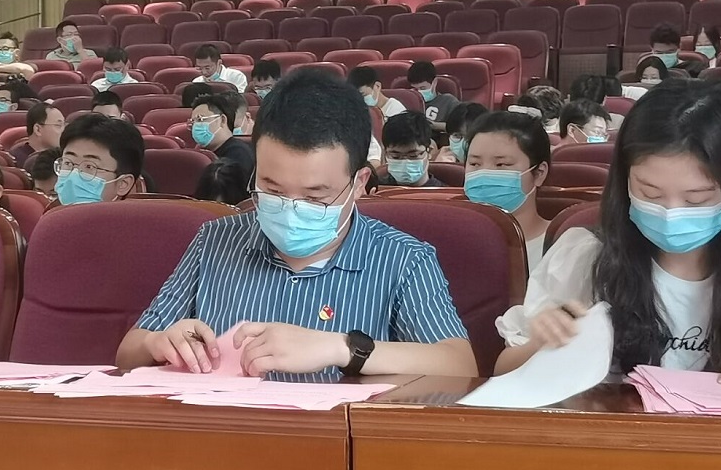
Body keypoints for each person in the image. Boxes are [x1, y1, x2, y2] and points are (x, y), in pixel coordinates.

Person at [117, 71, 476, 378]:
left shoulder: (403, 259)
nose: (290, 210)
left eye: (315, 197)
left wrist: (342, 348)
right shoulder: (214, 240)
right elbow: (129, 352)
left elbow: (460, 365)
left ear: (359, 182)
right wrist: (157, 343)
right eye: (272, 190)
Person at [494, 79, 721, 390]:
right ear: (623, 181)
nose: (670, 213)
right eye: (649, 193)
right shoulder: (585, 256)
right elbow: (504, 372)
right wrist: (539, 345)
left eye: (697, 199)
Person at [464, 110, 552, 269]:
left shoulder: (563, 245)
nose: (485, 174)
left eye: (501, 165)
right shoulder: (451, 241)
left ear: (539, 173)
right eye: (475, 164)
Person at [54, 114, 144, 206]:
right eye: (67, 163)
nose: (73, 177)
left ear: (123, 184)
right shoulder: (50, 213)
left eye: (89, 166)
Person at [190, 93, 255, 175]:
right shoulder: (201, 153)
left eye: (200, 119)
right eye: (193, 122)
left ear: (223, 120)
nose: (195, 126)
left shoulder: (238, 154)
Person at [378, 110, 443, 187]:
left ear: (429, 151)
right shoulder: (374, 189)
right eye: (395, 156)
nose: (404, 163)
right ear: (385, 154)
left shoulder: (446, 193)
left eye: (413, 155)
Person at [407, 61, 460, 135]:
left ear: (434, 82)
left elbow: (463, 126)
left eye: (422, 88)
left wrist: (435, 126)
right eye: (415, 89)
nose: (419, 92)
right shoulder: (408, 102)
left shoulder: (448, 101)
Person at [9, 102, 66, 168]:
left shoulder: (65, 157)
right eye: (58, 125)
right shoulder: (18, 160)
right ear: (37, 129)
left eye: (64, 124)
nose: (64, 130)